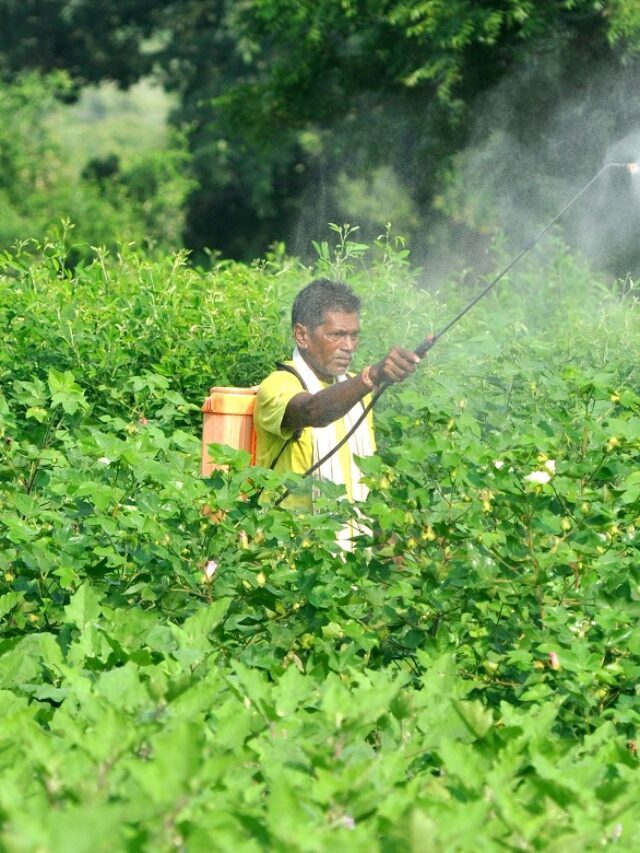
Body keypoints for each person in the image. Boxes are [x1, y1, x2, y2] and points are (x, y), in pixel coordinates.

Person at [253, 278, 420, 522]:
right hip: (290, 549)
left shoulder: (356, 390)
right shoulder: (278, 384)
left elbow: (367, 478)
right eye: (338, 335)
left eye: (354, 336)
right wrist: (371, 375)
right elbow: (313, 411)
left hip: (352, 550)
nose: (349, 346)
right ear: (301, 335)